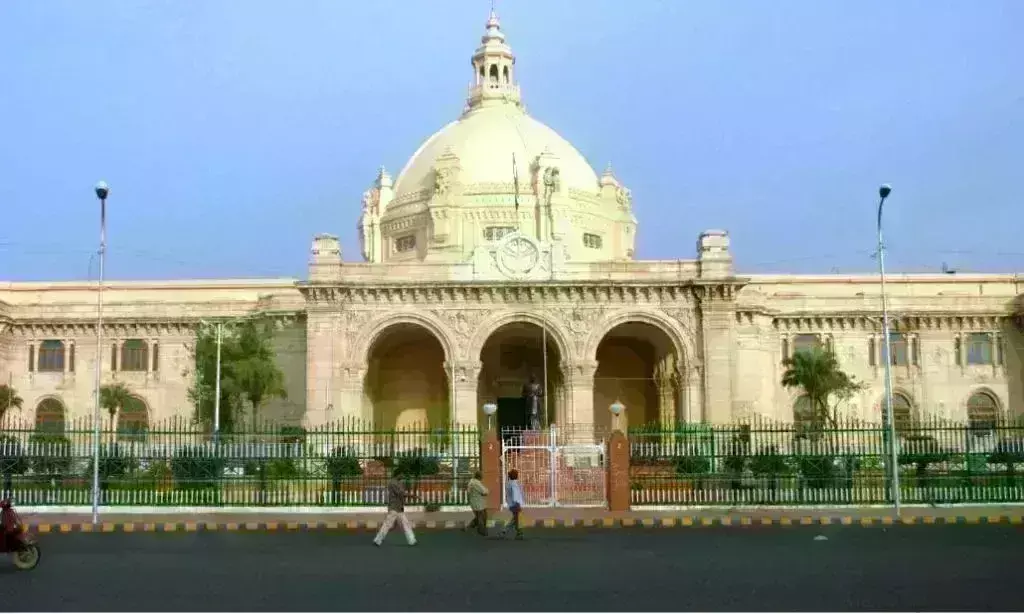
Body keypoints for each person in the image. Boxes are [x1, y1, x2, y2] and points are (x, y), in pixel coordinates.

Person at [373, 471, 417, 547]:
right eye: (401, 474)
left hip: (398, 507)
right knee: (388, 524)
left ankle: (412, 540)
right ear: (398, 474)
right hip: (394, 507)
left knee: (404, 523)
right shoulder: (393, 483)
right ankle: (378, 540)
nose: (403, 475)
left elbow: (402, 493)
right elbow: (401, 493)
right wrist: (413, 496)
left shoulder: (398, 482)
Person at [498, 469, 525, 540]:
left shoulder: (508, 483)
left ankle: (504, 531)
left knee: (515, 519)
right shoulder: (514, 484)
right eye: (517, 474)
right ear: (516, 475)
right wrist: (517, 503)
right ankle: (518, 533)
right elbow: (515, 494)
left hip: (511, 504)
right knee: (518, 519)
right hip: (515, 504)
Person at [464, 471, 490, 536]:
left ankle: (468, 527)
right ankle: (481, 531)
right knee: (482, 516)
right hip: (478, 503)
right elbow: (485, 491)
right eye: (482, 476)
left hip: (475, 502)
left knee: (478, 516)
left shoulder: (471, 482)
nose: (482, 477)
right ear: (479, 477)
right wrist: (487, 490)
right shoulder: (476, 483)